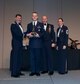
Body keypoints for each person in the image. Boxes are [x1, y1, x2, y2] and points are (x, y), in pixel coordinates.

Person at [26, 12, 44, 76]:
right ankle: (33, 71)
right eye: (33, 16)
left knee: (38, 58)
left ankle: (37, 71)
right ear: (32, 17)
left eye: (35, 16)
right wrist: (28, 35)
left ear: (37, 17)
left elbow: (43, 33)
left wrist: (38, 35)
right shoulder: (29, 25)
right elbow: (27, 33)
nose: (34, 17)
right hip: (31, 44)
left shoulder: (41, 24)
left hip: (38, 44)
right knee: (32, 58)